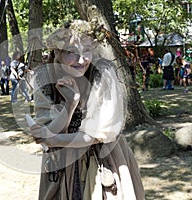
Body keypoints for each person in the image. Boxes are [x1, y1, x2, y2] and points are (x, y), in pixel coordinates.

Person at [28, 20, 145, 200]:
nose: (82, 60)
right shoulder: (44, 77)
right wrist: (70, 104)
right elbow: (49, 131)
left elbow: (99, 133)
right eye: (73, 53)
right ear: (58, 52)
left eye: (87, 50)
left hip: (102, 156)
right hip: (61, 161)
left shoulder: (103, 73)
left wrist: (55, 139)